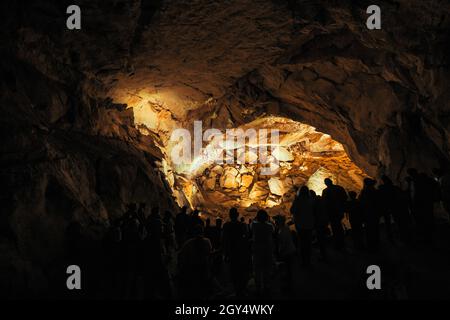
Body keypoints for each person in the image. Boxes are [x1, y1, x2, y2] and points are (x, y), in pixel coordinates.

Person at [177, 225, 213, 299]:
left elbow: (182, 256)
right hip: (202, 269)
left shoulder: (188, 243)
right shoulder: (207, 242)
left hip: (192, 269)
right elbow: (209, 255)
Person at [222, 208, 251, 297]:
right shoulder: (242, 225)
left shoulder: (226, 226)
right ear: (237, 215)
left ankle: (236, 290)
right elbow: (246, 239)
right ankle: (241, 290)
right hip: (240, 251)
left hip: (232, 251)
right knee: (241, 271)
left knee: (234, 271)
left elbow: (225, 240)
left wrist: (225, 253)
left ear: (230, 215)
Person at [251, 210, 274, 296]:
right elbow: (273, 230)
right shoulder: (269, 226)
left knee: (257, 270)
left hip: (257, 250)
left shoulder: (254, 225)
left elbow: (252, 222)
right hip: (267, 250)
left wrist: (256, 218)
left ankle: (258, 288)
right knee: (266, 269)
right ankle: (267, 287)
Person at [290, 186, 314, 266]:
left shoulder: (298, 200)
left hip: (300, 224)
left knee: (302, 242)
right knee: (308, 242)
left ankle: (303, 261)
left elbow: (292, 210)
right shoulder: (311, 200)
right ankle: (309, 260)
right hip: (310, 224)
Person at [322, 178, 347, 250]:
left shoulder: (325, 191)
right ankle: (342, 242)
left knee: (335, 228)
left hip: (331, 213)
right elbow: (344, 197)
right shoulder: (339, 188)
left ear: (326, 183)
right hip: (339, 211)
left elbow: (324, 203)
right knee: (339, 226)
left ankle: (338, 243)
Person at [273, 215, 296, 293]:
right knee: (288, 270)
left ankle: (288, 287)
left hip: (287, 252)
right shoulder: (284, 227)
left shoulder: (282, 231)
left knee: (286, 269)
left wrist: (279, 253)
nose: (275, 222)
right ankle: (289, 285)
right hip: (290, 250)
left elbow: (283, 244)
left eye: (276, 221)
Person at [359, 178, 380, 253]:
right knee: (375, 229)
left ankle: (371, 245)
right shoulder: (374, 191)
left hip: (368, 213)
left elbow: (361, 202)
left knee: (369, 230)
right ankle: (376, 244)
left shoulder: (365, 192)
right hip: (374, 213)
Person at [378, 176, 397, 243]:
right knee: (395, 219)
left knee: (387, 221)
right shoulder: (393, 187)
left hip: (385, 207)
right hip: (393, 205)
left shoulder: (382, 188)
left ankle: (390, 235)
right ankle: (396, 233)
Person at [312, 194, 329, 261]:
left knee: (320, 238)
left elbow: (314, 213)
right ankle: (324, 252)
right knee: (323, 237)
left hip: (319, 223)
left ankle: (323, 254)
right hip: (324, 221)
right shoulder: (322, 201)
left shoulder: (315, 203)